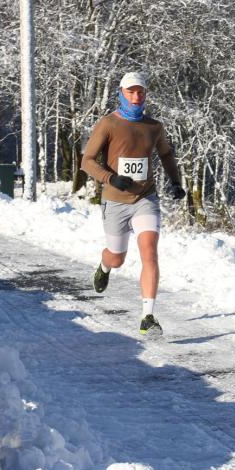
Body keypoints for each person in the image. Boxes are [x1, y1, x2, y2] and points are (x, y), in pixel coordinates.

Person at [80, 72, 185, 336]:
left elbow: (166, 154)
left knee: (149, 252)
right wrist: (111, 178)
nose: (136, 97)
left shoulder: (153, 126)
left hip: (145, 198)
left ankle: (147, 317)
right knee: (117, 258)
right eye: (131, 92)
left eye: (140, 92)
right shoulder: (108, 124)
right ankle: (104, 266)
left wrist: (175, 182)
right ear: (122, 93)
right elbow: (87, 161)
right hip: (115, 200)